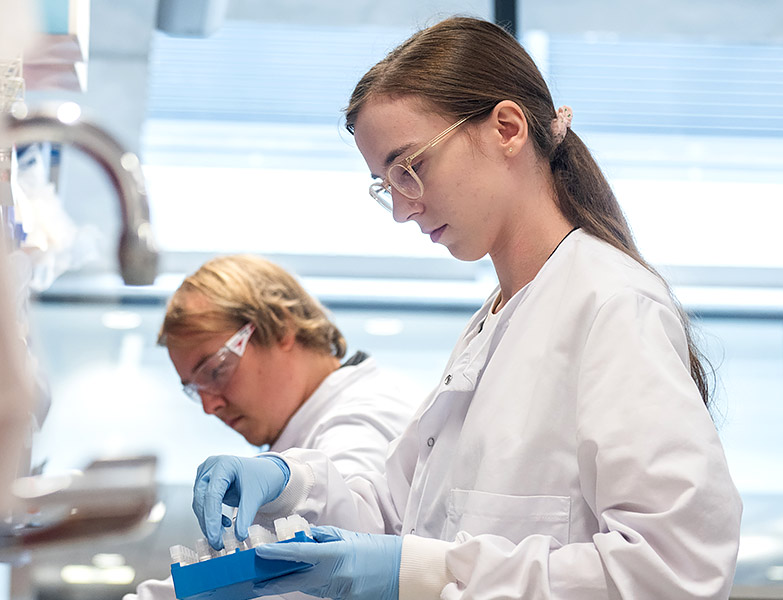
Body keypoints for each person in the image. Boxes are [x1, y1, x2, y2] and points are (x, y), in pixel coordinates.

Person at [191, 17, 742, 600]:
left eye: (412, 167)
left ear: (507, 128)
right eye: (386, 185)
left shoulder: (611, 305)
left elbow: (673, 573)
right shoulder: (496, 320)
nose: (403, 210)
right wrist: (289, 484)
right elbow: (402, 517)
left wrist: (431, 574)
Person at [123, 254, 420, 600]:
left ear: (280, 326)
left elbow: (341, 552)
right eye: (194, 389)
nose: (209, 406)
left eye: (215, 371)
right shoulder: (311, 421)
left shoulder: (363, 417)